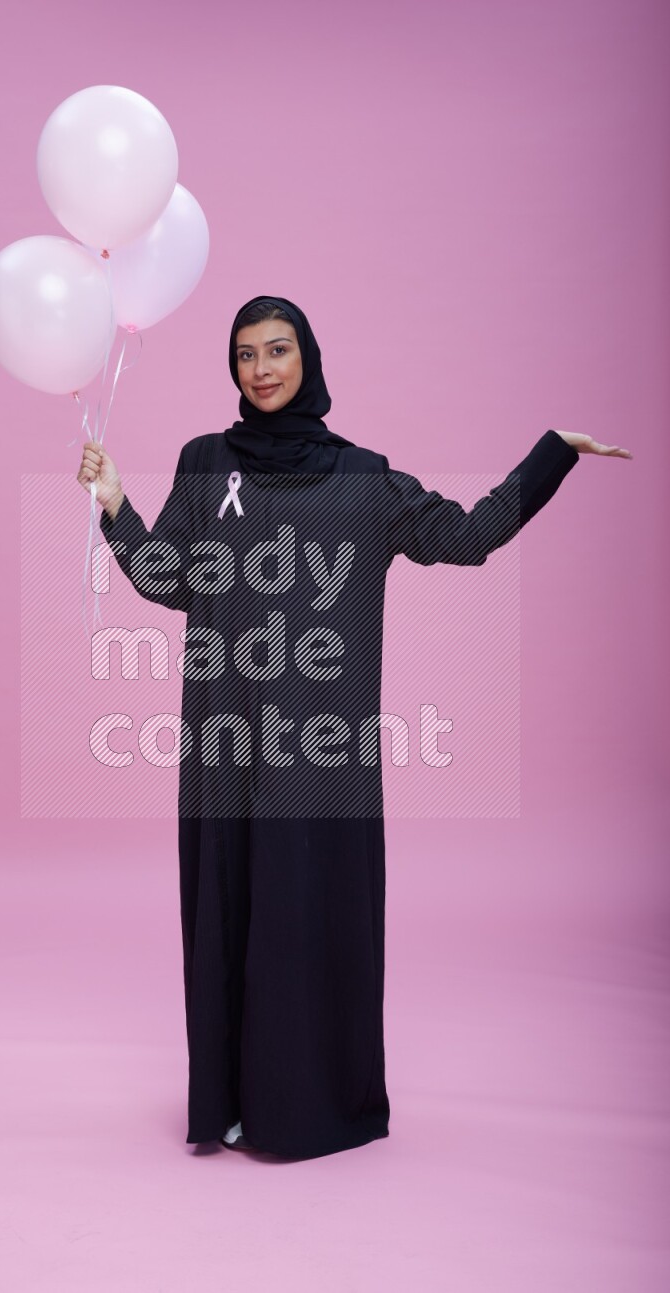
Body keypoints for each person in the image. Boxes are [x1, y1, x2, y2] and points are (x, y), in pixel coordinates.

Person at [77, 295, 631, 1161]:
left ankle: (303, 1108)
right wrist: (116, 507)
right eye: (246, 354)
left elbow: (467, 536)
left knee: (303, 923)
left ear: (309, 358)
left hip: (319, 758)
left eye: (278, 350)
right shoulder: (204, 461)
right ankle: (227, 1099)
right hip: (224, 747)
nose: (261, 369)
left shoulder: (362, 479)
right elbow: (171, 578)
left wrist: (552, 455)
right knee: (229, 915)